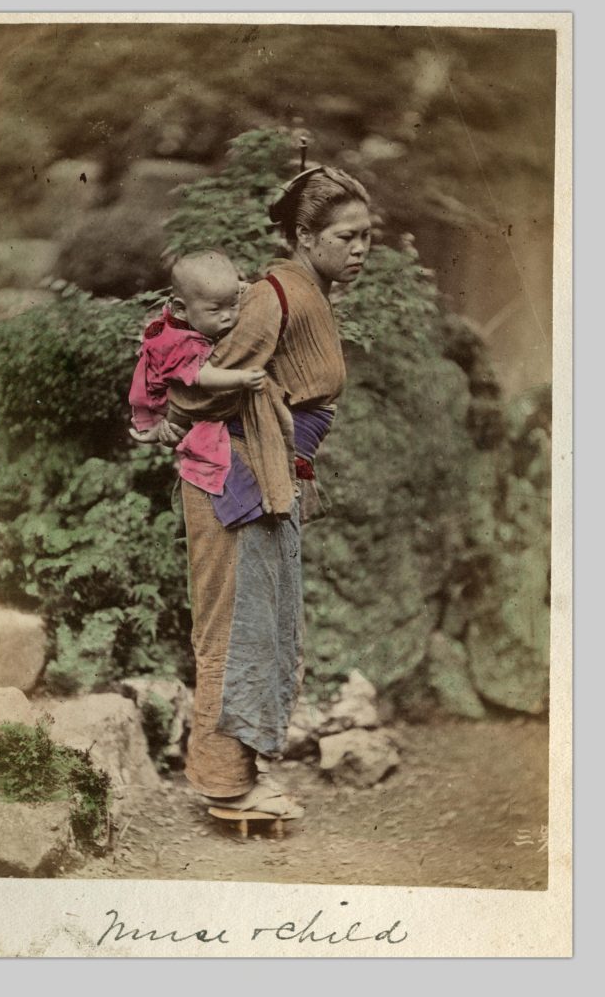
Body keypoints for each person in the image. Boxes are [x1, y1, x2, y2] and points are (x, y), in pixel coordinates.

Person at [164, 166, 372, 817]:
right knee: (234, 629)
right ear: (305, 237)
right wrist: (265, 417)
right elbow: (193, 386)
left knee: (264, 627)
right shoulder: (271, 295)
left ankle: (239, 774)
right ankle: (225, 787)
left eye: (368, 236)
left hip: (271, 474)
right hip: (237, 481)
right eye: (347, 236)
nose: (361, 248)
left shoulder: (309, 290)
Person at [128, 250, 266, 496]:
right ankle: (153, 431)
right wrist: (242, 378)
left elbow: (230, 294)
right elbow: (205, 378)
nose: (228, 316)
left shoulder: (190, 309)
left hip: (165, 375)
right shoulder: (183, 343)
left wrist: (243, 290)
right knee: (178, 410)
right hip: (158, 395)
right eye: (216, 310)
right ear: (180, 309)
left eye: (233, 305)